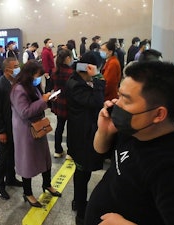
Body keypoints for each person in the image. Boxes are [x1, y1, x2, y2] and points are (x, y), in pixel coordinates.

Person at [85, 61, 174, 224]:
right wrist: (104, 131)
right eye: (119, 95)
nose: (117, 104)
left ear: (159, 114)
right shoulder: (136, 128)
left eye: (126, 100)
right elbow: (100, 150)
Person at [10, 60, 61, 208]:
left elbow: (38, 103)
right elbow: (24, 112)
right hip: (26, 130)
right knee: (28, 161)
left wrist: (48, 100)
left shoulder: (32, 86)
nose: (38, 78)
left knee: (45, 158)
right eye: (37, 75)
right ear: (30, 74)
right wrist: (43, 101)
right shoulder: (18, 89)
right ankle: (28, 192)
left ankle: (47, 184)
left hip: (38, 127)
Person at [65, 51, 106, 225]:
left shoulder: (79, 80)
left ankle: (77, 201)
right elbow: (97, 101)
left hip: (82, 134)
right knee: (82, 174)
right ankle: (81, 214)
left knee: (83, 173)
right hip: (82, 138)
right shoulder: (77, 85)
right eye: (98, 68)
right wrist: (97, 78)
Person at [0, 57, 23, 200]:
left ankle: (11, 178)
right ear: (7, 70)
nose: (18, 68)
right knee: (3, 158)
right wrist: (0, 131)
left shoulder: (15, 82)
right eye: (15, 66)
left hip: (15, 126)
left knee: (12, 155)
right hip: (5, 128)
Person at [50, 48, 73, 158]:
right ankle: (70, 152)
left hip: (59, 101)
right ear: (67, 58)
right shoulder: (71, 72)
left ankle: (57, 150)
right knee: (71, 128)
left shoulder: (54, 71)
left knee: (59, 126)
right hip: (69, 103)